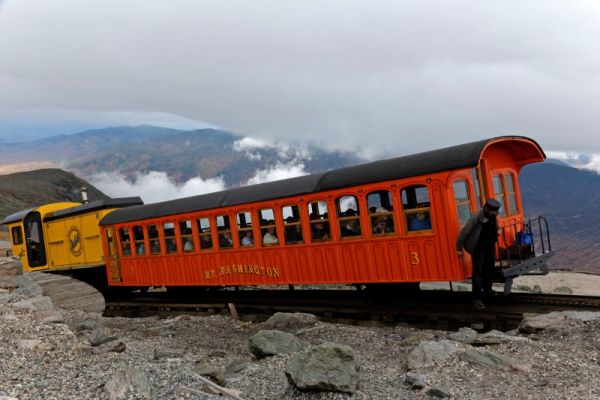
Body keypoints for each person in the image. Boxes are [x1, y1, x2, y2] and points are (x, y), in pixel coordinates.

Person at [456, 198, 501, 309]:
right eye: (492, 212)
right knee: (477, 273)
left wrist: (497, 230)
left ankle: (487, 290)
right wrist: (459, 247)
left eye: (496, 212)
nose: (494, 214)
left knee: (489, 269)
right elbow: (464, 232)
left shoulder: (492, 215)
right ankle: (476, 298)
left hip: (490, 246)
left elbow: (495, 223)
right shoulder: (476, 217)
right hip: (478, 248)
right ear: (486, 209)